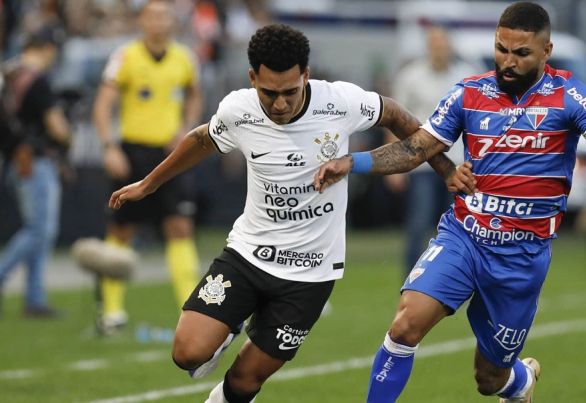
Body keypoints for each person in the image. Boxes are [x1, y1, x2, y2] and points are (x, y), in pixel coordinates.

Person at [315, 3, 586, 402]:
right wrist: (353, 162)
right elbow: (416, 148)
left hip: (521, 258)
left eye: (521, 53)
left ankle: (520, 381)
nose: (508, 61)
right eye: (502, 49)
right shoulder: (469, 93)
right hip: (465, 237)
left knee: (489, 378)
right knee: (404, 325)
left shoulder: (570, 96)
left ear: (546, 51)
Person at [107, 23, 472, 403]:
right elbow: (201, 139)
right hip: (249, 255)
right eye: (269, 93)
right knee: (187, 353)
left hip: (311, 272)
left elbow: (397, 116)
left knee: (245, 380)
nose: (280, 104)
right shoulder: (238, 110)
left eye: (289, 92)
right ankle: (230, 326)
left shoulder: (340, 102)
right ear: (253, 79)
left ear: (306, 75)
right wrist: (149, 184)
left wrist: (445, 168)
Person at [92, 0, 203, 334]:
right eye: (152, 16)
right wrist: (109, 146)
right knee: (122, 230)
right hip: (134, 152)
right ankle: (111, 311)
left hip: (171, 155)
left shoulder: (184, 57)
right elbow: (103, 103)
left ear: (172, 22)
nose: (158, 22)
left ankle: (191, 310)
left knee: (179, 226)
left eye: (163, 16)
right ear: (142, 21)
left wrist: (186, 127)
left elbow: (194, 95)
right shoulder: (126, 56)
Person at [386, 25, 475, 274]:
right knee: (419, 223)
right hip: (421, 163)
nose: (439, 49)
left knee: (460, 224)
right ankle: (412, 280)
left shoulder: (466, 75)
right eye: (434, 44)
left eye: (442, 44)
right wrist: (394, 165)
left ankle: (454, 277)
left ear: (450, 46)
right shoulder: (411, 76)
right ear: (428, 47)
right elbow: (394, 120)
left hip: (457, 163)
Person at [0, 27, 71, 318]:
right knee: (40, 230)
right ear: (47, 48)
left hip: (14, 160)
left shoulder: (8, 75)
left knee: (38, 230)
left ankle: (34, 298)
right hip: (35, 161)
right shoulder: (37, 80)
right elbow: (57, 127)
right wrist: (68, 134)